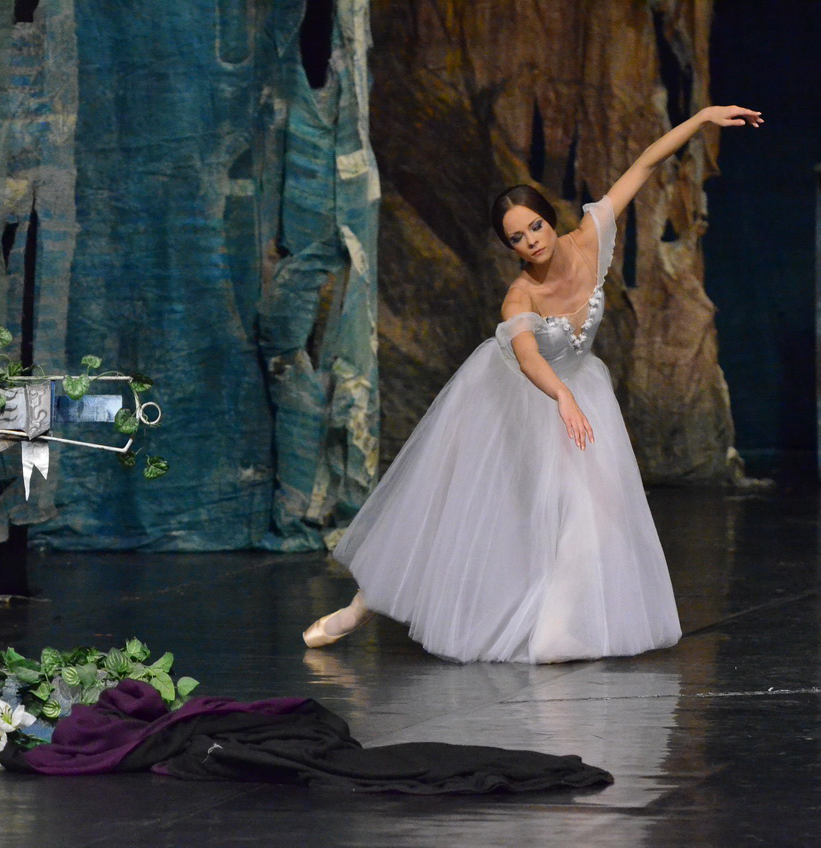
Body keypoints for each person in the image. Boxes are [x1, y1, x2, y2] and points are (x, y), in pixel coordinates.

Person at [303, 105, 764, 663]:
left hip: (578, 391)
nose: (530, 242)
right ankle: (360, 608)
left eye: (535, 227)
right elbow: (525, 356)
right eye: (516, 238)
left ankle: (560, 628)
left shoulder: (590, 239)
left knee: (592, 511)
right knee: (455, 513)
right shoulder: (519, 296)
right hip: (511, 400)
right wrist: (561, 395)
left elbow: (644, 164)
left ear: (550, 218)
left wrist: (702, 118)